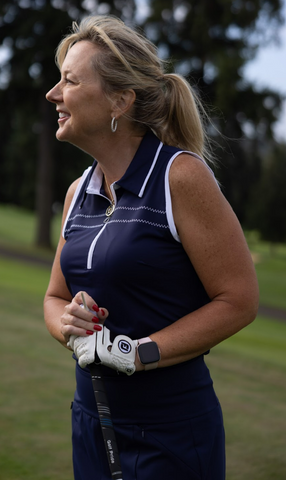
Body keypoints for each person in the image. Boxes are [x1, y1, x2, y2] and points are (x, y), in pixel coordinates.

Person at [43, 15, 259, 480]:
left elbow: (239, 300)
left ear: (120, 100)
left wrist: (138, 353)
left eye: (69, 80)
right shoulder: (77, 190)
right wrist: (69, 325)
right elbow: (53, 297)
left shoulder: (180, 176)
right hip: (91, 420)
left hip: (171, 430)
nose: (52, 94)